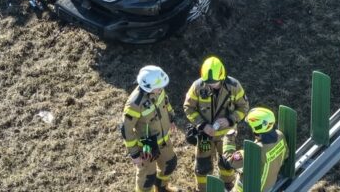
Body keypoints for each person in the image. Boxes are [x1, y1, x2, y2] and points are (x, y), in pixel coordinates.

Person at [183, 56, 249, 191]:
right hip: (205, 135)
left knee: (227, 162)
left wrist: (230, 120)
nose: (211, 85)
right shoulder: (197, 86)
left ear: (222, 76)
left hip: (226, 135)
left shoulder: (234, 86)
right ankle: (202, 188)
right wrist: (202, 125)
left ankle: (228, 184)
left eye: (214, 82)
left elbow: (244, 107)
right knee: (202, 165)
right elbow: (188, 107)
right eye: (208, 82)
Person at [122, 65, 179, 192]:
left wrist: (171, 118)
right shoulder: (134, 104)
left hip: (163, 140)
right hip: (146, 147)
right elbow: (126, 130)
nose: (162, 89)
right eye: (159, 87)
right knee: (148, 178)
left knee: (169, 164)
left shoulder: (158, 90)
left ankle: (162, 188)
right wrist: (135, 154)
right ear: (148, 87)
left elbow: (166, 103)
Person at [228, 107, 287, 192]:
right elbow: (285, 155)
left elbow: (229, 162)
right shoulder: (280, 136)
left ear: (256, 128)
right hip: (270, 186)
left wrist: (229, 138)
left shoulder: (254, 151)